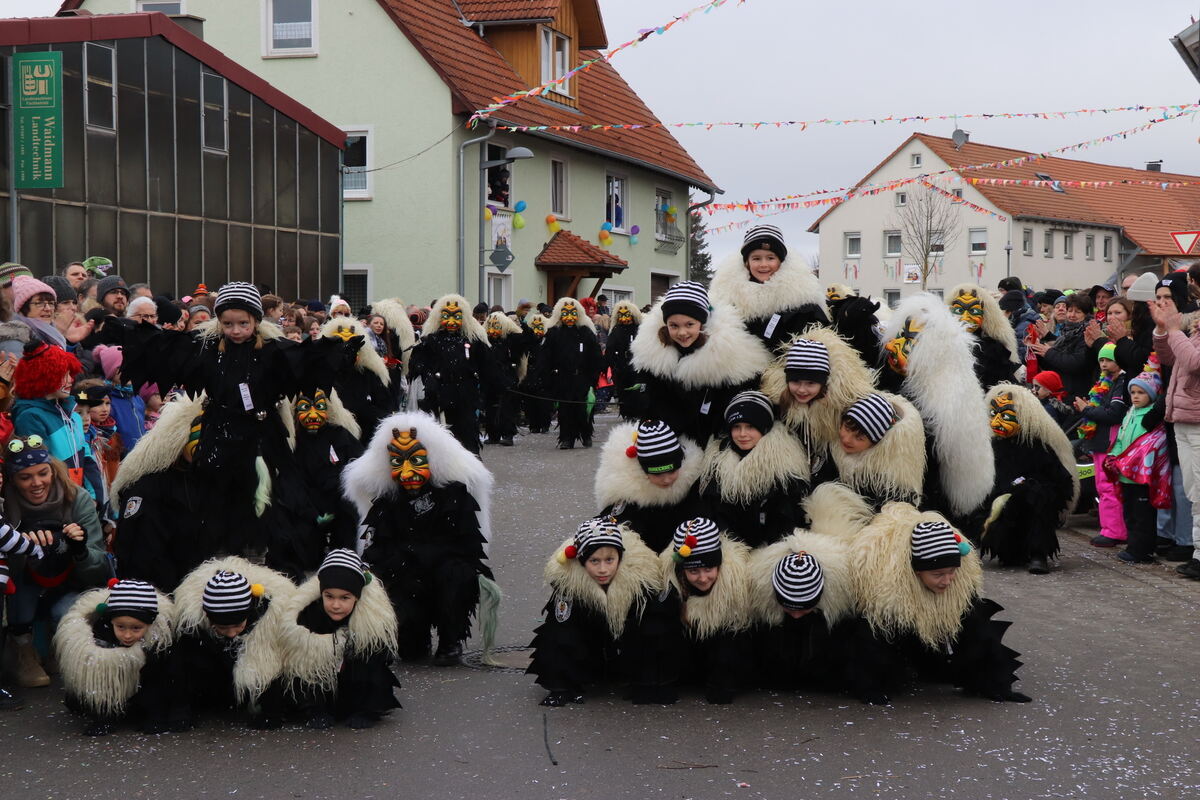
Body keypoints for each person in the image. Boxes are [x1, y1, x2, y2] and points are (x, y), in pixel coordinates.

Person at [343, 412, 497, 666]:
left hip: (444, 570)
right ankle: (413, 634)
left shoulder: (453, 496)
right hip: (407, 574)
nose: (407, 473)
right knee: (410, 650)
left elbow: (467, 547)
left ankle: (450, 639)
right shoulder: (387, 502)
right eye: (397, 463)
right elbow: (378, 549)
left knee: (455, 576)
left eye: (415, 461)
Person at [845, 506, 1030, 704]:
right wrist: (870, 688)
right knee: (881, 632)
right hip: (895, 632)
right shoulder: (887, 592)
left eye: (951, 571)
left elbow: (979, 636)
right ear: (917, 572)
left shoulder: (959, 586)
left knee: (972, 620)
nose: (947, 580)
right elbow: (871, 642)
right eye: (938, 574)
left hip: (932, 644)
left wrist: (996, 684)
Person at [527, 517, 680, 706]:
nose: (603, 569)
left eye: (610, 560)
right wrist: (560, 687)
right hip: (591, 642)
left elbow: (657, 632)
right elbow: (560, 636)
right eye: (594, 561)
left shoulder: (642, 580)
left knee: (652, 622)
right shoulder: (570, 584)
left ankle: (647, 680)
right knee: (561, 630)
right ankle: (568, 682)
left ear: (620, 558)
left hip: (627, 644)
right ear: (582, 561)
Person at [877, 294, 994, 531]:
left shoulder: (949, 374)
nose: (902, 344)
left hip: (928, 456)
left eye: (914, 339)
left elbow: (952, 428)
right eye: (904, 335)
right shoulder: (891, 373)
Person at [2, 437, 108, 689]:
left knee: (66, 611)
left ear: (52, 469)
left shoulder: (77, 498)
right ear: (13, 480)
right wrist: (20, 547)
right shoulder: (4, 506)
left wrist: (79, 548)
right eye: (25, 477)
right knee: (18, 590)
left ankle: (59, 646)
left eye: (43, 473)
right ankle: (24, 650)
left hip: (69, 582)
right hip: (23, 587)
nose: (37, 483)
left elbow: (99, 569)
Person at [269, 549, 400, 729]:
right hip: (323, 679)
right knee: (303, 659)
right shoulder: (308, 614)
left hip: (354, 679)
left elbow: (383, 657)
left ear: (356, 597)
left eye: (345, 598)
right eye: (329, 596)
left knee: (368, 658)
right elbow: (298, 660)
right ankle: (315, 708)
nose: (336, 605)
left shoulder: (371, 619)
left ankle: (364, 709)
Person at [626, 282, 768, 445]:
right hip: (671, 443)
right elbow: (651, 403)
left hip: (712, 441)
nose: (682, 332)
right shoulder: (653, 359)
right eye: (674, 325)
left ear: (702, 323)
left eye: (689, 324)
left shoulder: (725, 357)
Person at [169, 560, 295, 730]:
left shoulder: (269, 618)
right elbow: (180, 671)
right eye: (222, 627)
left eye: (237, 626)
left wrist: (272, 715)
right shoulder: (192, 624)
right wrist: (179, 713)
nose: (231, 633)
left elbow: (270, 665)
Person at [111, 394, 216, 590]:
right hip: (157, 592)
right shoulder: (148, 489)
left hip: (199, 588)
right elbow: (139, 554)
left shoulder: (206, 480)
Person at [53, 579, 176, 735]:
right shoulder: (98, 636)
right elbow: (97, 680)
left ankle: (152, 715)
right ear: (111, 621)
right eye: (120, 627)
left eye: (136, 628)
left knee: (155, 680)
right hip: (110, 686)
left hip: (142, 690)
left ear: (150, 624)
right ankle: (102, 716)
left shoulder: (160, 644)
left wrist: (156, 718)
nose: (127, 635)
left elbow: (158, 684)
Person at [747, 524, 858, 695]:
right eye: (789, 607)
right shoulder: (756, 586)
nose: (797, 615)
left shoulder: (844, 588)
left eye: (804, 608)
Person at [979, 384, 1079, 574]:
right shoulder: (992, 447)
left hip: (1033, 501)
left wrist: (1034, 488)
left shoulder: (1037, 447)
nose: (997, 422)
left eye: (1006, 416)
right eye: (994, 415)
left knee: (1037, 497)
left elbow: (1062, 480)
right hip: (1005, 502)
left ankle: (1038, 554)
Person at [658, 518, 753, 704]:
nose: (702, 578)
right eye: (693, 571)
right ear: (681, 569)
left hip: (721, 656)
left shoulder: (735, 586)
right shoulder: (668, 586)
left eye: (709, 568)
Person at [759, 328, 876, 478]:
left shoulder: (839, 405)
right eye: (795, 381)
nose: (802, 390)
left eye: (811, 383)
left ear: (823, 383)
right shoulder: (779, 403)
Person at [698, 391, 809, 547]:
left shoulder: (783, 469)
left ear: (764, 427)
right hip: (732, 547)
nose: (743, 434)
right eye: (736, 427)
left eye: (751, 427)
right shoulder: (718, 465)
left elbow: (788, 520)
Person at [709, 224, 829, 359]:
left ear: (781, 262)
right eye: (756, 258)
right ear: (747, 263)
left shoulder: (802, 305)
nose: (763, 264)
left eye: (770, 258)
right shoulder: (727, 301)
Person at [594, 419, 705, 553]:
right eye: (657, 475)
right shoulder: (629, 495)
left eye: (672, 471)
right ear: (643, 471)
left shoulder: (692, 485)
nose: (666, 480)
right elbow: (611, 525)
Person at [10, 342, 100, 500]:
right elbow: (39, 470)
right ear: (44, 376)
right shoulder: (30, 417)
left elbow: (85, 458)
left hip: (82, 498)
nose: (71, 380)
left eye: (70, 374)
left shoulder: (73, 414)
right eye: (63, 375)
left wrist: (94, 496)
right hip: (60, 502)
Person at [408, 293, 491, 455]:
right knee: (442, 434)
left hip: (466, 395)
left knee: (467, 431)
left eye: (456, 317)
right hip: (440, 396)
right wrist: (429, 377)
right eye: (447, 316)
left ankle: (470, 463)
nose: (452, 322)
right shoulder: (431, 341)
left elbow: (487, 366)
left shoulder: (473, 341)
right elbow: (417, 365)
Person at [1106, 371, 1169, 565]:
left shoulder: (1153, 417)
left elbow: (1152, 446)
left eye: (1141, 392)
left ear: (1151, 395)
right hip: (1125, 475)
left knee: (1143, 515)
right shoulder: (1129, 413)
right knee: (1130, 513)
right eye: (1133, 392)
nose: (1135, 396)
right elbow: (1121, 438)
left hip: (1142, 477)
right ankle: (1133, 546)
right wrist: (1113, 455)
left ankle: (1142, 550)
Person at [1073, 343, 1129, 547]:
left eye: (1108, 360)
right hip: (1099, 442)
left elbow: (1114, 413)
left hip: (1110, 443)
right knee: (1102, 487)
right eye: (1101, 361)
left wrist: (1086, 409)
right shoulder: (1104, 382)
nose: (1104, 364)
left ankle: (1114, 531)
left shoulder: (1122, 383)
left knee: (1109, 487)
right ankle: (1109, 528)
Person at [831, 392, 927, 510]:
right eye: (847, 428)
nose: (846, 439)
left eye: (859, 438)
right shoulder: (830, 448)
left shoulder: (885, 484)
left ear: (875, 443)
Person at [535, 297, 602, 449]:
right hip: (562, 378)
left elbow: (595, 356)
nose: (569, 317)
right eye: (565, 313)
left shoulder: (586, 332)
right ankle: (567, 438)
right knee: (565, 409)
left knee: (584, 408)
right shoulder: (553, 333)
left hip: (582, 378)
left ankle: (586, 434)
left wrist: (593, 377)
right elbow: (545, 357)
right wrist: (546, 376)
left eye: (573, 313)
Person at [319, 316, 392, 445]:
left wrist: (367, 412)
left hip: (364, 433)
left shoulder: (368, 372)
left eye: (353, 348)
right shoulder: (322, 373)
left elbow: (383, 405)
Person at [946, 284, 1020, 389]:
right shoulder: (943, 346)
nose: (965, 317)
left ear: (984, 315)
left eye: (974, 311)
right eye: (959, 311)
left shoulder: (994, 349)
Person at [1030, 293, 1096, 400]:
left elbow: (1077, 363)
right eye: (1070, 311)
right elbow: (1052, 365)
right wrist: (1036, 349)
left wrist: (1049, 352)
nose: (1072, 315)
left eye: (1078, 312)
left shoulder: (1088, 333)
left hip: (1077, 394)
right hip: (1061, 391)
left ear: (1087, 314)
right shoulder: (1066, 332)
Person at [482, 310, 525, 447]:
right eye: (491, 326)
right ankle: (493, 434)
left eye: (497, 326)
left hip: (507, 378)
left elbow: (524, 340)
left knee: (507, 408)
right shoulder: (485, 342)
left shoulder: (511, 340)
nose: (493, 330)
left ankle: (507, 434)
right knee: (490, 408)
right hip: (490, 380)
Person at [606, 300, 643, 418]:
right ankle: (626, 413)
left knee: (635, 390)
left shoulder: (639, 329)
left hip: (635, 365)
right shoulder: (616, 330)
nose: (623, 318)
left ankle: (636, 412)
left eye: (626, 315)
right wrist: (610, 364)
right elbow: (610, 348)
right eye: (621, 315)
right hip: (621, 366)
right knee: (623, 390)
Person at [519, 310, 553, 434]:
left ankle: (544, 424)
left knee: (544, 404)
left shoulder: (548, 342)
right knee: (530, 403)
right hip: (530, 377)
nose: (537, 330)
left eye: (539, 327)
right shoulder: (528, 342)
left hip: (544, 378)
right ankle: (534, 425)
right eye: (534, 327)